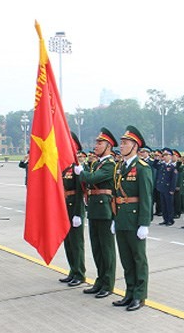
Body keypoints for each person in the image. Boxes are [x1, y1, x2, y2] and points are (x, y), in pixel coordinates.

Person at [111, 125, 153, 312]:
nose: (121, 146)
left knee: (138, 259)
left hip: (135, 221)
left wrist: (144, 223)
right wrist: (114, 218)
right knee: (126, 259)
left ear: (135, 146)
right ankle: (129, 293)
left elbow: (146, 197)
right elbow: (115, 195)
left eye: (125, 143)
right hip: (121, 219)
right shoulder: (120, 166)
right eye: (121, 143)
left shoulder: (142, 168)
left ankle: (139, 295)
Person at [74, 128, 117, 299]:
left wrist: (81, 173)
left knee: (107, 250)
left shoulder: (110, 164)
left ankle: (108, 284)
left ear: (108, 146)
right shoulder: (98, 163)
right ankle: (100, 281)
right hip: (94, 209)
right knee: (97, 248)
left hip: (105, 211)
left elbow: (92, 179)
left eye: (100, 143)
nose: (96, 146)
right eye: (96, 143)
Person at [60, 132, 86, 287]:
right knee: (68, 242)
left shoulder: (77, 167)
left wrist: (78, 213)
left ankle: (79, 273)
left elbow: (79, 192)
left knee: (76, 243)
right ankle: (72, 270)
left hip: (73, 207)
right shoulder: (62, 165)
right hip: (63, 208)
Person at [154, 148, 178, 226]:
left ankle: (170, 220)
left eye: (166, 155)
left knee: (169, 205)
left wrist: (172, 189)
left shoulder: (172, 166)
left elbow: (174, 179)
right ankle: (165, 219)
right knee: (163, 205)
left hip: (168, 189)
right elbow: (154, 165)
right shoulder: (162, 165)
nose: (164, 157)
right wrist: (157, 159)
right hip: (162, 188)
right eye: (163, 155)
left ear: (170, 156)